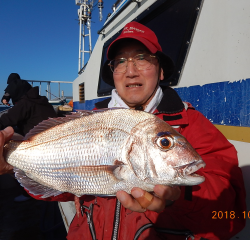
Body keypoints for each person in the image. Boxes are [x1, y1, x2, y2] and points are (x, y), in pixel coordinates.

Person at [0, 22, 246, 240]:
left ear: (161, 70)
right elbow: (63, 190)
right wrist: (15, 161)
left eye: (142, 58)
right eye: (120, 62)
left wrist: (181, 198)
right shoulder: (91, 118)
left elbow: (230, 215)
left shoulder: (191, 124)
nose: (131, 71)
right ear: (113, 75)